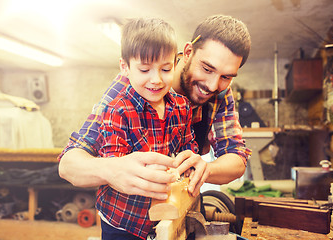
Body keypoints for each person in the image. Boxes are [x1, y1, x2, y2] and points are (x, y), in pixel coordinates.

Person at [59, 13, 251, 230]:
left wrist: (204, 168)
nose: (213, 85)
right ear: (187, 52)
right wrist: (111, 169)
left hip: (180, 213)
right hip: (128, 220)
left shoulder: (219, 92)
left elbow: (237, 158)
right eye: (207, 69)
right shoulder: (129, 88)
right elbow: (68, 165)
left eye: (226, 77)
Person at [59, 18, 199, 239]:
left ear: (175, 62)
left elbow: (188, 146)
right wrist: (146, 173)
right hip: (123, 222)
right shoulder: (117, 111)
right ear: (125, 67)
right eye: (144, 70)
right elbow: (116, 164)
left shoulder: (181, 106)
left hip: (167, 215)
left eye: (165, 68)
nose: (156, 80)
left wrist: (188, 162)